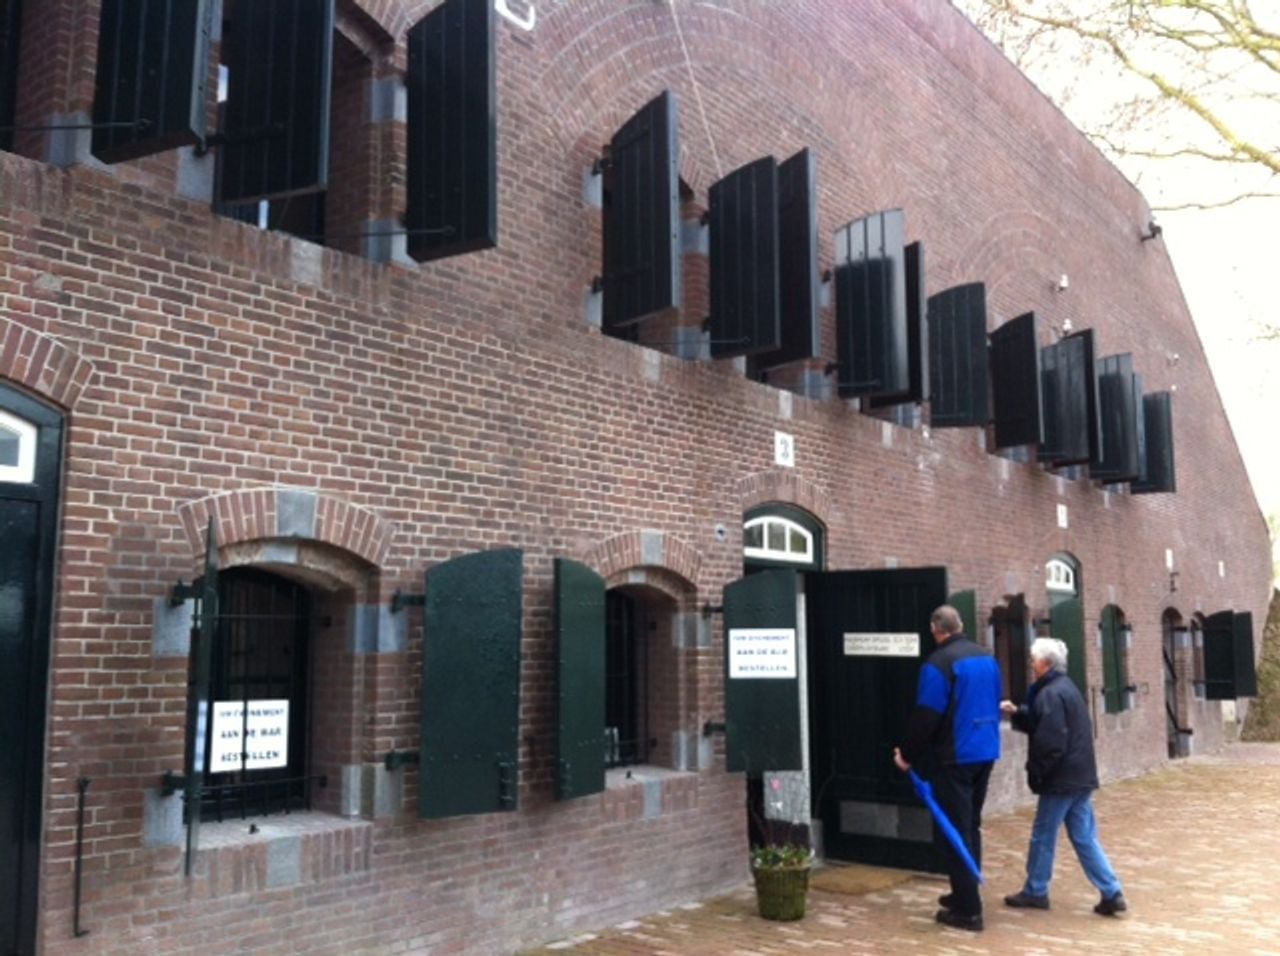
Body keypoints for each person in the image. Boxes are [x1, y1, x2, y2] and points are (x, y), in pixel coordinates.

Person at [894, 604, 1002, 932]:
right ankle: (962, 892)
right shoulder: (988, 657)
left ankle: (968, 910)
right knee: (970, 825)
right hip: (986, 751)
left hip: (956, 755)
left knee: (955, 830)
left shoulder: (939, 663)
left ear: (935, 630)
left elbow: (927, 714)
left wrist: (908, 755)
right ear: (962, 625)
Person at [1000, 637, 1127, 916]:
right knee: (1084, 836)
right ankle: (1111, 890)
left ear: (1045, 663)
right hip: (1080, 776)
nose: (1031, 664)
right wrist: (1019, 712)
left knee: (1043, 835)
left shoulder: (1049, 694)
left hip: (1061, 780)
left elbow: (1051, 741)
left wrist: (1037, 773)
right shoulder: (1066, 688)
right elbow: (1046, 722)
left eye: (1034, 659)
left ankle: (1036, 890)